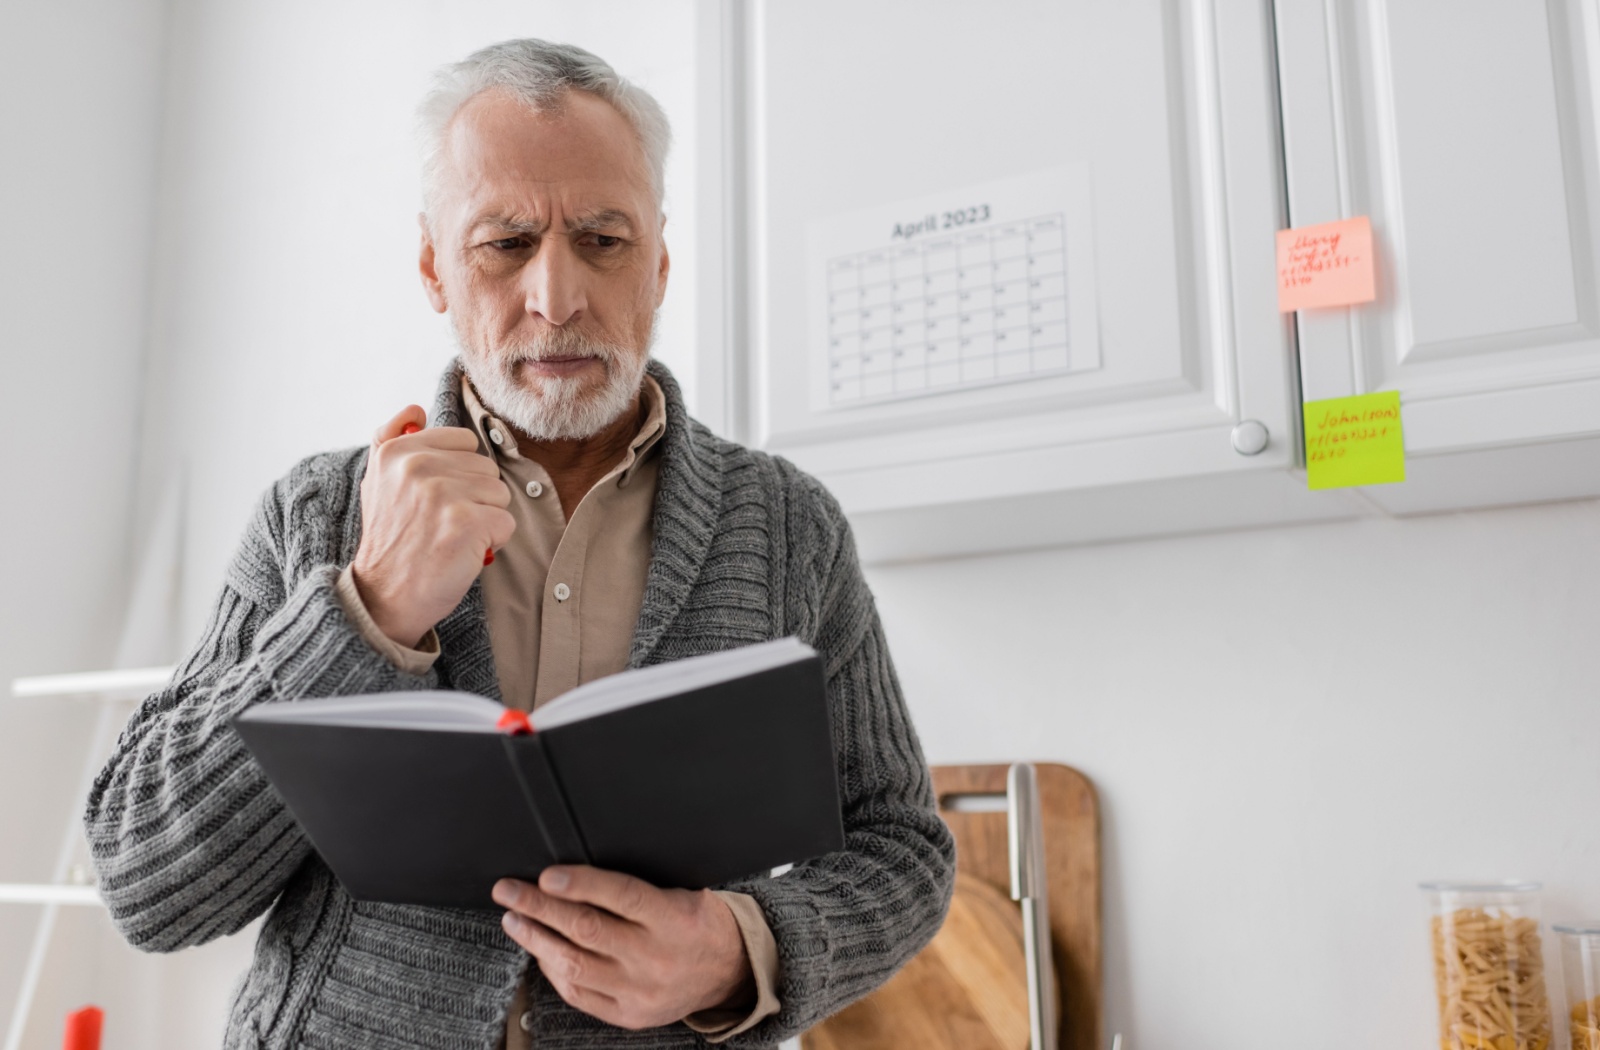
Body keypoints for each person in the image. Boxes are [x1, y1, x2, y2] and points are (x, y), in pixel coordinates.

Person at [83, 37, 955, 1050]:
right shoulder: (315, 514)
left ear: (659, 262)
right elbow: (148, 887)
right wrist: (364, 610)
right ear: (434, 269)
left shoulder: (791, 526)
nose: (558, 296)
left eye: (603, 239)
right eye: (504, 244)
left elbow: (902, 852)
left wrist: (734, 947)